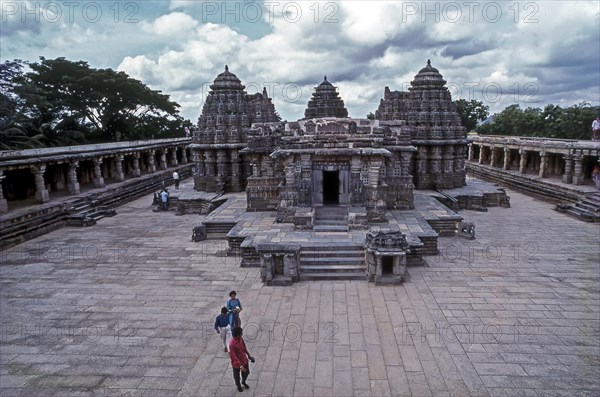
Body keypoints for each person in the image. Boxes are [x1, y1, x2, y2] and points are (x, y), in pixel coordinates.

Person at [229, 327, 254, 392]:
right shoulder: (232, 345)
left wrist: (249, 356)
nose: (242, 335)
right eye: (241, 334)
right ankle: (238, 385)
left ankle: (243, 381)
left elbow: (244, 347)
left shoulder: (240, 339)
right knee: (236, 377)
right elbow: (233, 356)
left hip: (243, 359)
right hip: (236, 364)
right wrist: (240, 366)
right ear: (237, 335)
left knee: (247, 372)